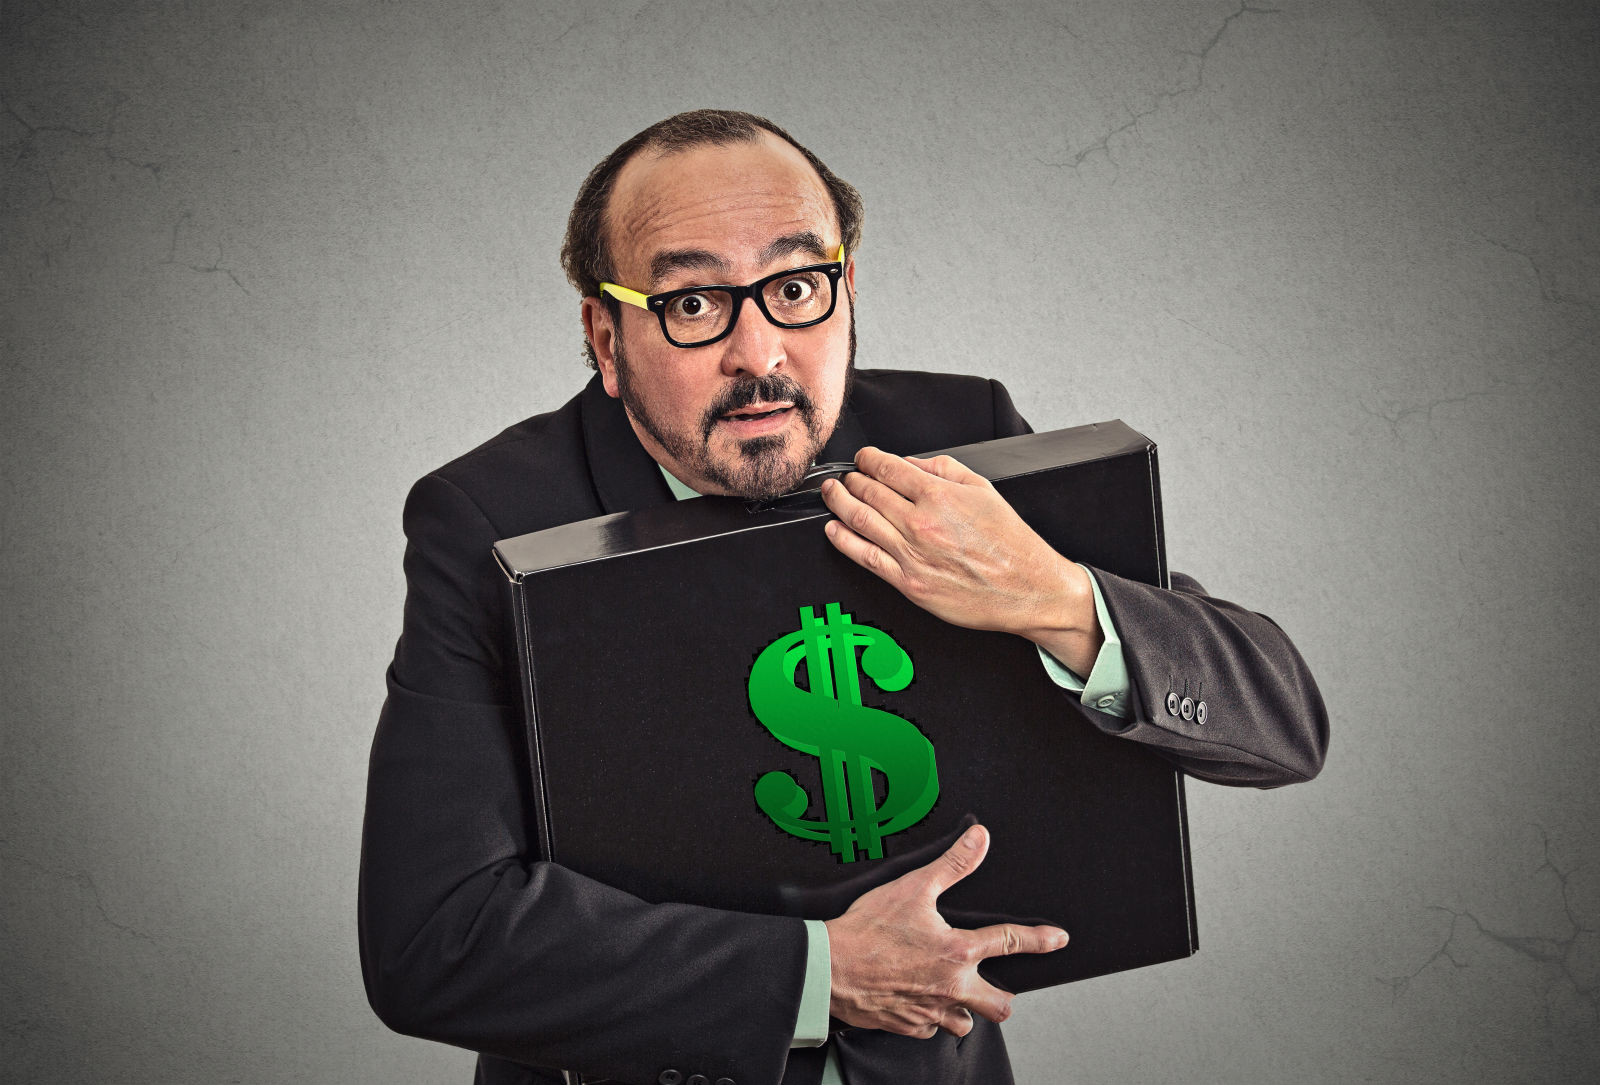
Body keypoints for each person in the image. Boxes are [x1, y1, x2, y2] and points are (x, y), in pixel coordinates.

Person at [359, 109, 1328, 1085]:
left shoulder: (961, 437)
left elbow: (1282, 727)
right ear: (604, 335)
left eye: (794, 286)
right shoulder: (486, 520)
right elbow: (431, 940)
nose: (761, 352)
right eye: (693, 302)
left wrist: (1055, 597)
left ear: (846, 288)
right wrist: (820, 972)